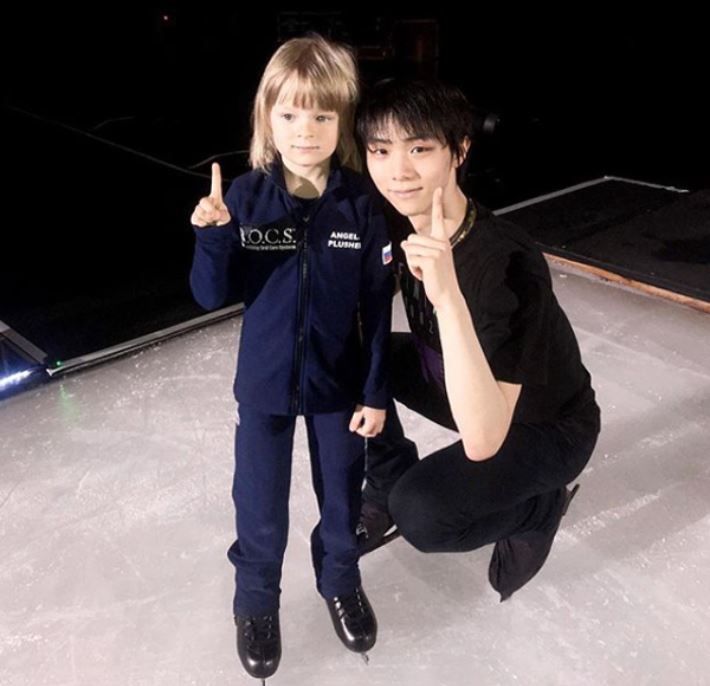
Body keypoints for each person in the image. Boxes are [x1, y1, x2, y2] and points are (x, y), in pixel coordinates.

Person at [189, 35, 393, 681]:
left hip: (339, 385)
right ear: (267, 119)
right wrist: (213, 238)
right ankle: (256, 601)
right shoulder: (245, 199)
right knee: (260, 507)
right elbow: (209, 296)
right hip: (265, 386)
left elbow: (377, 305)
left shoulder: (361, 204)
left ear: (343, 121)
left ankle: (341, 582)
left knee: (343, 501)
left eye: (322, 115)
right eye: (290, 114)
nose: (306, 131)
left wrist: (375, 392)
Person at [355, 78, 601, 602]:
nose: (398, 172)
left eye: (419, 149)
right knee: (341, 357)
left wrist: (447, 297)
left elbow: (484, 437)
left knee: (421, 513)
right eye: (381, 151)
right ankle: (386, 474)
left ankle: (539, 509)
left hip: (543, 426)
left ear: (460, 150)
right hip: (454, 383)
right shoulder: (396, 217)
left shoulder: (505, 263)